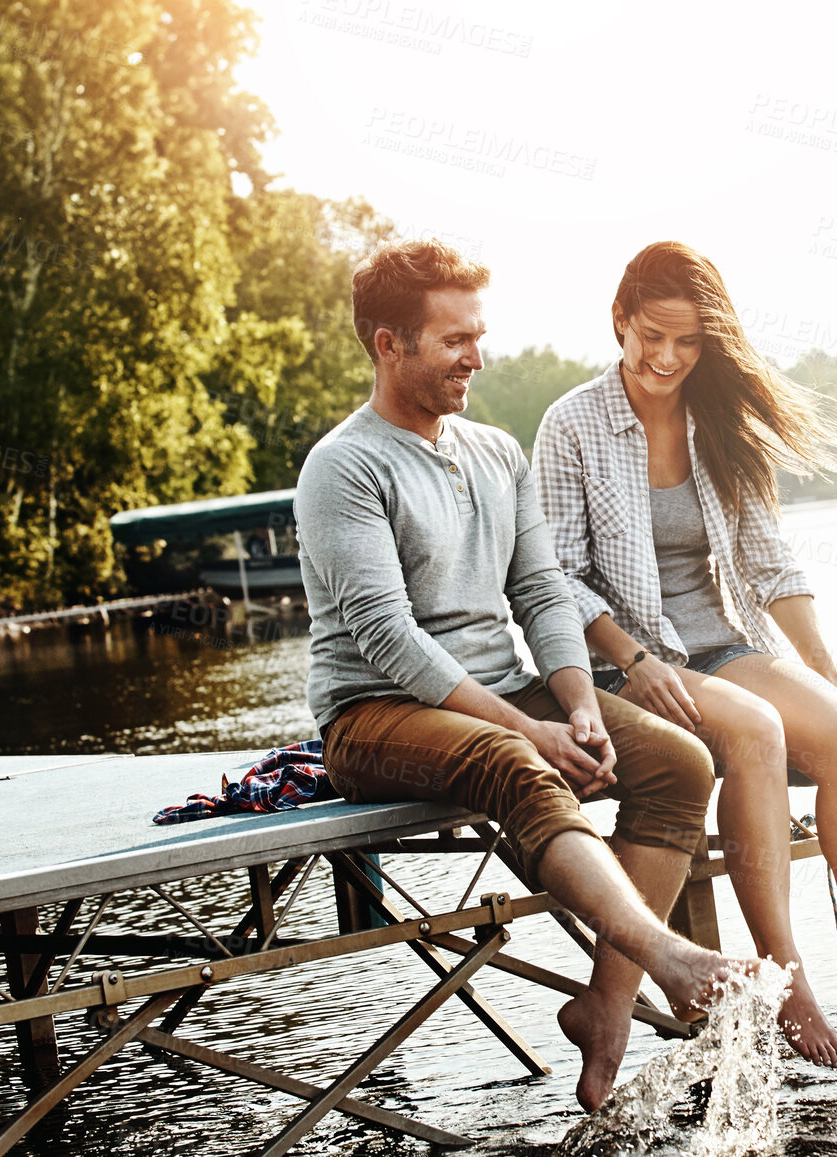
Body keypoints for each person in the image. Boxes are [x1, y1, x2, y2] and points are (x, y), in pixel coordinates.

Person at [294, 239, 751, 1112]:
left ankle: (606, 1005)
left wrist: (578, 701)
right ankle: (669, 958)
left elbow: (542, 589)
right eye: (453, 339)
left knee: (680, 763)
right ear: (388, 344)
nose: (476, 356)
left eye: (478, 334)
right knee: (518, 764)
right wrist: (527, 730)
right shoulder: (343, 467)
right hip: (376, 714)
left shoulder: (497, 453)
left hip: (506, 690)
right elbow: (387, 638)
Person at [532, 241, 837, 1065]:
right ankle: (787, 977)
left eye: (686, 342)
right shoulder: (571, 423)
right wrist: (637, 662)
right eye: (651, 337)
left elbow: (768, 561)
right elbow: (554, 577)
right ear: (619, 320)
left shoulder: (720, 420)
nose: (666, 358)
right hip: (618, 660)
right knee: (753, 732)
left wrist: (827, 673)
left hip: (720, 643)